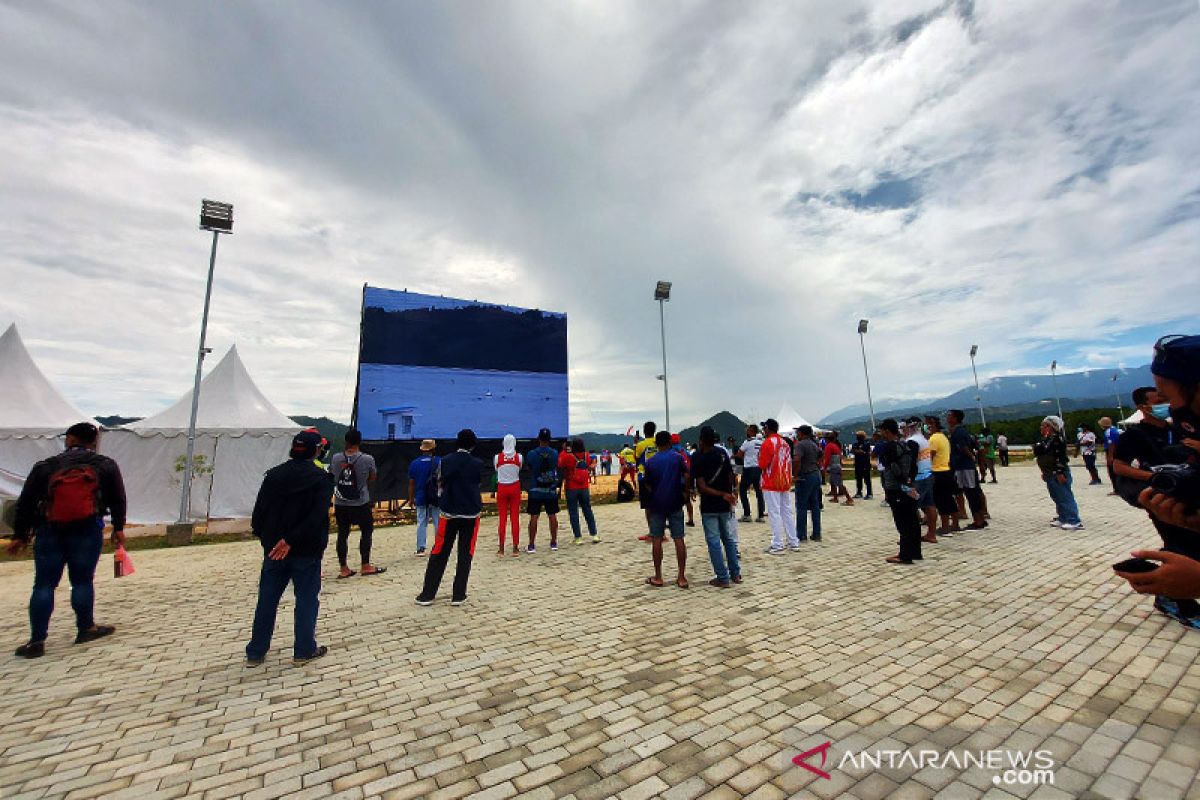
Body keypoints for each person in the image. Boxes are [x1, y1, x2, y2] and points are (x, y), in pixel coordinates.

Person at [9, 422, 127, 659]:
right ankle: (86, 628)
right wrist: (119, 527)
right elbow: (118, 498)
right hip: (87, 528)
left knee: (43, 584)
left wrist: (21, 535)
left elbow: (26, 503)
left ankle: (37, 640)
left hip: (50, 529)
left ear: (70, 439)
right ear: (93, 441)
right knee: (82, 581)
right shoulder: (105, 465)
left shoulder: (46, 467)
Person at [245, 430, 335, 665]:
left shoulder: (274, 475)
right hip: (306, 549)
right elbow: (316, 516)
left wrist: (271, 541)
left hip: (274, 550)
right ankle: (304, 649)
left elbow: (259, 514)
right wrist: (290, 540)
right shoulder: (321, 479)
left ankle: (256, 651)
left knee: (267, 599)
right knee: (306, 599)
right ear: (317, 450)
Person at [416, 428, 484, 606]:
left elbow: (439, 483)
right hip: (471, 514)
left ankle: (428, 594)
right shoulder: (477, 463)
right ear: (473, 445)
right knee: (465, 553)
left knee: (439, 551)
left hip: (448, 513)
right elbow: (477, 484)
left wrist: (443, 498)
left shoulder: (444, 461)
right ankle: (459, 594)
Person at [329, 429, 384, 579]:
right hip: (360, 502)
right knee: (366, 532)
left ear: (345, 441)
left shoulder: (336, 458)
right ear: (360, 442)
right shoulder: (367, 459)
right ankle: (365, 565)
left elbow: (333, 476)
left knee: (342, 534)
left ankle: (343, 568)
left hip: (341, 502)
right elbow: (373, 477)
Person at [691, 426, 740, 588]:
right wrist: (731, 493)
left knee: (713, 542)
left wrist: (720, 494)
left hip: (709, 505)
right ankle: (735, 573)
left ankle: (722, 577)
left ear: (701, 440)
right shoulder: (722, 454)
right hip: (725, 504)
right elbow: (731, 475)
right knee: (729, 539)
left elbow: (702, 486)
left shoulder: (697, 457)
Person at [641, 430, 689, 588]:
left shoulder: (651, 462)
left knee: (656, 538)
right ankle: (681, 577)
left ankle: (658, 576)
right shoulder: (678, 458)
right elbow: (687, 475)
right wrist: (685, 492)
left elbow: (647, 483)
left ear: (656, 444)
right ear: (670, 442)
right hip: (675, 501)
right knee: (678, 538)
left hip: (657, 503)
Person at [878, 419, 922, 565]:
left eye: (882, 431)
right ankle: (915, 551)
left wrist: (902, 481)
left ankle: (905, 554)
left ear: (887, 431)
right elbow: (914, 466)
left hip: (896, 488)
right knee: (912, 520)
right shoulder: (905, 444)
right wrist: (909, 481)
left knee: (902, 522)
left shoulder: (889, 447)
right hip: (908, 485)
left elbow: (893, 466)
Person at [1033, 415, 1082, 530]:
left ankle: (1073, 519)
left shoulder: (1057, 440)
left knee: (1064, 496)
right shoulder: (1047, 440)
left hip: (1057, 473)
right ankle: (1063, 517)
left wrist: (1059, 472)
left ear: (1050, 427)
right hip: (1049, 473)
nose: (1041, 428)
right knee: (1056, 496)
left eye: (1044, 426)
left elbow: (1060, 457)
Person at [759, 419, 798, 554]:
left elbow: (763, 464)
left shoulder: (768, 443)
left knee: (774, 513)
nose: (763, 431)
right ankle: (793, 541)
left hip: (771, 482)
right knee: (786, 512)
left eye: (764, 428)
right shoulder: (784, 442)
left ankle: (778, 544)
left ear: (768, 429)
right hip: (784, 480)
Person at [947, 410, 986, 530]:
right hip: (964, 466)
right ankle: (980, 518)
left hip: (964, 467)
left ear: (955, 418)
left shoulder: (958, 432)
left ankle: (978, 520)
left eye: (950, 416)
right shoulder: (961, 430)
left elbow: (963, 448)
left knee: (971, 493)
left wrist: (971, 457)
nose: (948, 418)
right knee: (972, 492)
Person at [903, 417, 939, 544]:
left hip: (918, 477)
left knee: (910, 507)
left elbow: (911, 462)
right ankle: (931, 534)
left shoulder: (912, 441)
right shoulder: (924, 439)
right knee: (929, 504)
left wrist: (908, 479)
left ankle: (911, 537)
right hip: (928, 473)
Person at [525, 428, 561, 552]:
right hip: (550, 490)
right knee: (552, 515)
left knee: (534, 516)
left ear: (538, 438)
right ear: (549, 439)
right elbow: (557, 466)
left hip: (535, 489)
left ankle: (531, 544)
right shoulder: (555, 453)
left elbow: (529, 467)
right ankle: (554, 542)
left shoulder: (531, 454)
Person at [559, 438, 600, 544]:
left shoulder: (568, 456)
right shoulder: (586, 455)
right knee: (588, 510)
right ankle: (594, 534)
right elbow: (590, 464)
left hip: (571, 487)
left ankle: (578, 537)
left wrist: (564, 450)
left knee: (573, 513)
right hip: (584, 486)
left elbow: (560, 464)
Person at [926, 415, 960, 534]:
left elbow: (930, 456)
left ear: (933, 425)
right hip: (946, 470)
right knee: (949, 498)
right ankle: (955, 523)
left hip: (937, 472)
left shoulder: (934, 439)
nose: (927, 427)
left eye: (928, 425)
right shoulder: (944, 437)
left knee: (941, 500)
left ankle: (945, 526)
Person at [407, 439, 440, 556]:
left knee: (421, 522)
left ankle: (421, 548)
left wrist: (411, 499)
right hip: (436, 497)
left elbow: (411, 483)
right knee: (438, 521)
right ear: (433, 449)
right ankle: (439, 546)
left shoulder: (414, 463)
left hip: (421, 496)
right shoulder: (439, 462)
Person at [493, 434, 523, 556]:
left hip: (502, 488)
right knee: (515, 518)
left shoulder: (497, 457)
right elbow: (519, 469)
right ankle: (515, 548)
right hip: (515, 486)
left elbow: (496, 470)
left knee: (502, 519)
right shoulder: (519, 457)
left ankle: (501, 549)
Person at [792, 425, 823, 542]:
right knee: (815, 505)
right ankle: (817, 533)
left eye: (798, 432)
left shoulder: (800, 445)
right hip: (815, 474)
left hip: (805, 476)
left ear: (802, 433)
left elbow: (797, 459)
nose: (797, 434)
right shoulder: (814, 444)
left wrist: (795, 475)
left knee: (801, 506)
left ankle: (801, 534)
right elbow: (821, 454)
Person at [635, 421, 660, 539]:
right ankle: (660, 531)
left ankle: (652, 532)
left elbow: (637, 458)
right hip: (659, 476)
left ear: (644, 431)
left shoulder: (641, 445)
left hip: (644, 476)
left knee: (647, 506)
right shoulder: (658, 442)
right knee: (659, 503)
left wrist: (635, 444)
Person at [737, 425, 766, 523]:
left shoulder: (747, 442)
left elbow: (739, 454)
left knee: (742, 490)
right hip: (758, 468)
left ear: (752, 431)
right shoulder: (761, 442)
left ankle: (747, 514)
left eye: (748, 430)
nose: (747, 432)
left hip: (748, 468)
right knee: (759, 492)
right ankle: (761, 515)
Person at [673, 433, 697, 527]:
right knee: (687, 501)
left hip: (674, 480)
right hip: (686, 480)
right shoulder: (684, 451)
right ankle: (690, 519)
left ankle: (675, 521)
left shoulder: (670, 451)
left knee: (673, 502)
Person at [822, 431, 853, 506]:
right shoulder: (835, 445)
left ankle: (849, 498)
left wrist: (824, 467)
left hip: (833, 466)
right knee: (833, 482)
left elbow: (827, 458)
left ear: (827, 439)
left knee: (839, 483)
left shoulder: (829, 446)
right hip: (837, 465)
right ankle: (835, 497)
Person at [849, 430, 874, 499]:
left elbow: (863, 451)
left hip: (865, 463)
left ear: (862, 437)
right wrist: (859, 451)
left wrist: (859, 451)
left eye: (859, 436)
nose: (857, 437)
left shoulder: (867, 443)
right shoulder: (855, 444)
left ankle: (869, 493)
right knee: (858, 479)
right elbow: (853, 451)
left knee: (867, 479)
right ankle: (859, 492)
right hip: (858, 463)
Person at [1099, 416, 1120, 494]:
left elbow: (1111, 444)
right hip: (1118, 451)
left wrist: (1110, 457)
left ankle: (1116, 489)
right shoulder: (1115, 429)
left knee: (1112, 471)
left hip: (1112, 452)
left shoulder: (1108, 431)